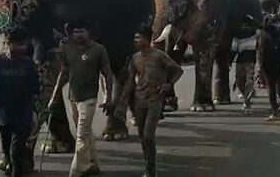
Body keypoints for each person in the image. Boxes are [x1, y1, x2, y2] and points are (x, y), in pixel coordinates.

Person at [48, 21, 113, 177]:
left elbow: (108, 75)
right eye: (76, 31)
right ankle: (93, 164)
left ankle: (76, 170)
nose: (79, 34)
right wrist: (54, 97)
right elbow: (63, 74)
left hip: (89, 99)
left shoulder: (98, 50)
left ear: (88, 32)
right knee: (85, 132)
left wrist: (108, 97)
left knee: (81, 135)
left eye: (82, 31)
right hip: (73, 97)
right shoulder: (68, 49)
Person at [115, 26, 183, 177]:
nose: (136, 40)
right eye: (135, 38)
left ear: (147, 39)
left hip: (155, 99)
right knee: (142, 138)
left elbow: (178, 70)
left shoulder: (159, 56)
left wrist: (169, 85)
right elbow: (130, 81)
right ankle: (149, 168)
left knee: (148, 135)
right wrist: (123, 102)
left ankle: (151, 170)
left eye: (138, 37)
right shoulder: (135, 58)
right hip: (139, 99)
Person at [0, 27, 39, 177]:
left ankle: (17, 172)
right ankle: (10, 165)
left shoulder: (28, 64)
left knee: (16, 150)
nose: (22, 48)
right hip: (3, 115)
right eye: (18, 44)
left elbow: (36, 88)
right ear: (8, 43)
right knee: (7, 148)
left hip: (23, 115)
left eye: (24, 44)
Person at [231, 15, 258, 115]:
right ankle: (246, 98)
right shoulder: (237, 35)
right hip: (241, 61)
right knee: (240, 82)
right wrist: (229, 62)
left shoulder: (255, 34)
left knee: (248, 82)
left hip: (250, 62)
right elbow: (233, 49)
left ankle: (247, 104)